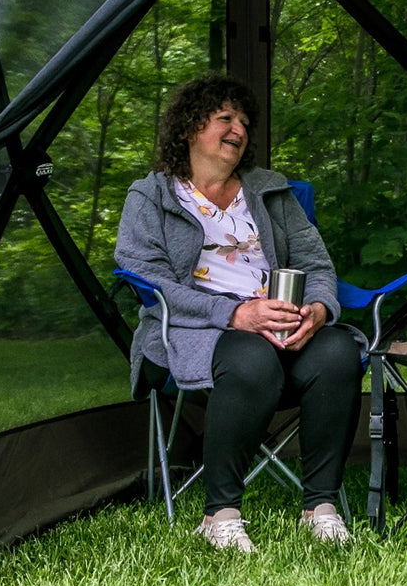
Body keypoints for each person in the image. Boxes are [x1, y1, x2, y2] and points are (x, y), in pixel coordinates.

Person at [115, 74, 363, 553]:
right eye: (225, 118)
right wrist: (234, 315)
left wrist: (317, 307)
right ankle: (221, 515)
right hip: (201, 328)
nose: (239, 129)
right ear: (190, 127)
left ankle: (321, 506)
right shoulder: (151, 196)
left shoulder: (270, 191)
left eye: (244, 122)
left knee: (337, 350)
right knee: (250, 357)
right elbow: (147, 275)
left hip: (284, 322)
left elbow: (316, 263)